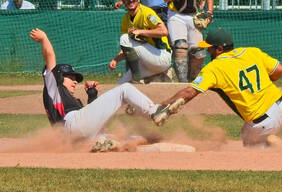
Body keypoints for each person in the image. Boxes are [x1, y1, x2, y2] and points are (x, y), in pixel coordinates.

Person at [157, 27, 282, 148]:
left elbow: (190, 92)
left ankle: (280, 156)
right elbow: (279, 69)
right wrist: (266, 82)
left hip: (263, 122)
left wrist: (165, 104)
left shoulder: (215, 67)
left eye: (209, 48)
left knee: (248, 140)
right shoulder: (251, 51)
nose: (207, 50)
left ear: (219, 49)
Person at [30, 28, 180, 152]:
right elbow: (50, 56)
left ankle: (118, 146)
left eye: (75, 78)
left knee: (121, 138)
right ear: (58, 77)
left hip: (78, 137)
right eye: (70, 77)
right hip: (72, 125)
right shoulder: (53, 86)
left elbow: (89, 124)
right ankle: (154, 111)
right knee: (124, 89)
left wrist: (92, 96)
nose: (75, 81)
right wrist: (44, 39)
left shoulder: (70, 101)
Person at [109, 0, 172, 84]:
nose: (131, 0)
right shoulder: (125, 20)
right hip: (147, 63)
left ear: (139, 0)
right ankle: (142, 75)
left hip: (161, 56)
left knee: (125, 38)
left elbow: (164, 31)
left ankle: (137, 75)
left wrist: (141, 31)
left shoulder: (148, 13)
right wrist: (115, 60)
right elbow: (127, 46)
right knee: (121, 84)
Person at [167, 0, 214, 82]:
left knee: (199, 53)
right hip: (176, 15)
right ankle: (182, 82)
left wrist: (209, 12)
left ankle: (193, 80)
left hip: (194, 15)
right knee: (180, 47)